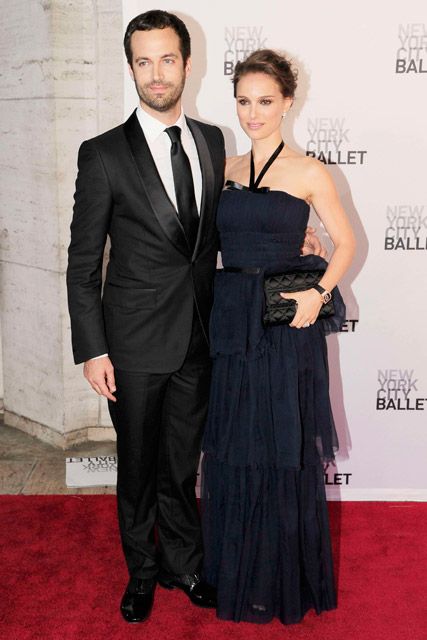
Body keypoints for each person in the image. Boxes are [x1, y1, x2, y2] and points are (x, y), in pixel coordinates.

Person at [67, 11, 324, 625]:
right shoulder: (101, 154)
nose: (156, 74)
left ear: (187, 63)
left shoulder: (214, 143)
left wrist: (301, 241)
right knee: (137, 465)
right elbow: (81, 262)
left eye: (167, 59)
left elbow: (218, 235)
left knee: (183, 464)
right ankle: (142, 572)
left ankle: (184, 564)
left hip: (202, 337)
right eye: (143, 61)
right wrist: (92, 348)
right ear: (131, 67)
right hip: (129, 343)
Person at [201, 49, 356, 626]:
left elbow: (344, 244)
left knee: (282, 446)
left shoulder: (311, 171)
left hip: (285, 326)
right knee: (237, 447)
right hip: (232, 323)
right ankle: (237, 572)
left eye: (265, 101)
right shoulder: (227, 169)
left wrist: (318, 295)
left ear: (289, 102)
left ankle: (283, 577)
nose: (253, 113)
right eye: (243, 101)